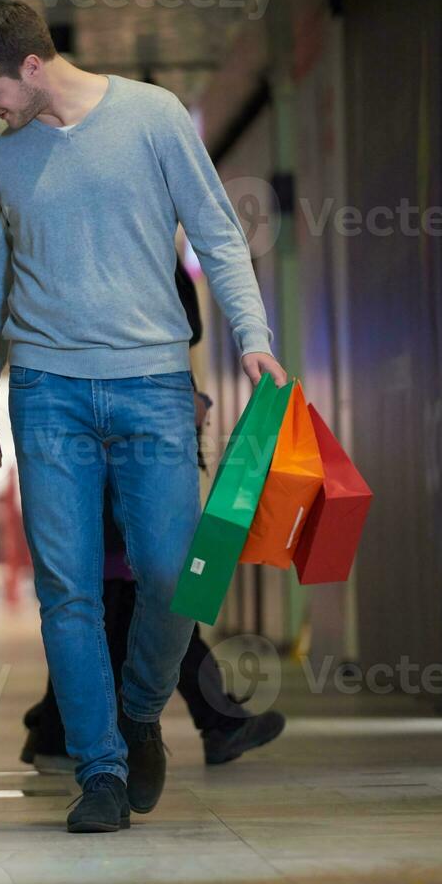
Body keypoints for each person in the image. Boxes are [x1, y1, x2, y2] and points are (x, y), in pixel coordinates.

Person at [0, 0, 289, 833]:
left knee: (175, 574)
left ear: (31, 66)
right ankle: (99, 769)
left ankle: (140, 712)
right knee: (67, 593)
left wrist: (253, 335)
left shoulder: (152, 116)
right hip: (47, 391)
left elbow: (213, 233)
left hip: (151, 384)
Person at [20, 260, 287, 772]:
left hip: (112, 510)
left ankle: (57, 731)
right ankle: (207, 723)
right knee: (142, 608)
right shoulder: (146, 346)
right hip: (126, 507)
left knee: (113, 613)